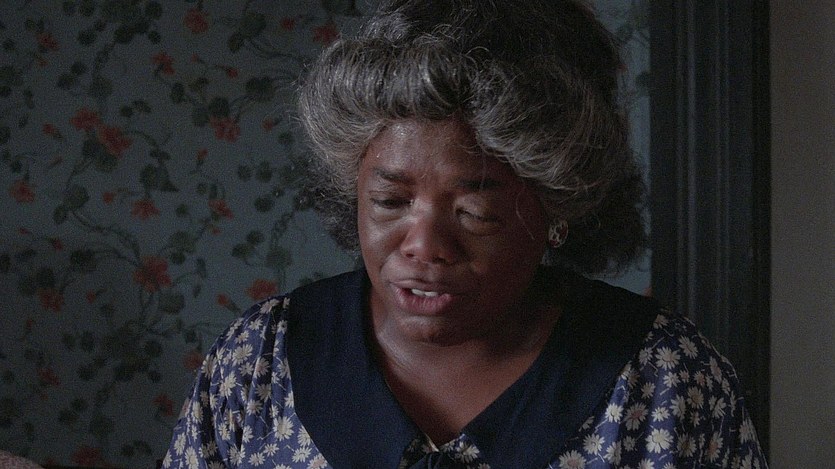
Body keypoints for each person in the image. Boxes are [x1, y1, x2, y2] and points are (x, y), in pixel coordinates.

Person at [163, 0, 768, 467]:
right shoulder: (258, 363)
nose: (424, 245)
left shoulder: (668, 381)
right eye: (390, 201)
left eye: (475, 212)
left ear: (556, 208)